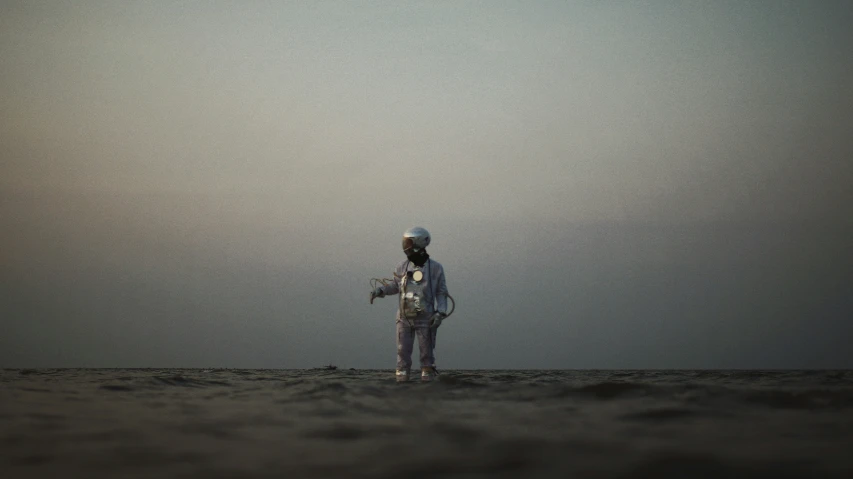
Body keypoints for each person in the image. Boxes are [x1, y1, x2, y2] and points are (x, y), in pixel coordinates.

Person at [370, 227, 449, 382]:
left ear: (419, 242)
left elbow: (441, 292)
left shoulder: (435, 268)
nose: (405, 246)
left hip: (426, 317)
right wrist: (380, 291)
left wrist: (440, 313)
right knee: (402, 352)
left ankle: (427, 382)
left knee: (427, 353)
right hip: (404, 317)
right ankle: (402, 382)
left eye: (408, 242)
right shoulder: (402, 266)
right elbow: (396, 285)